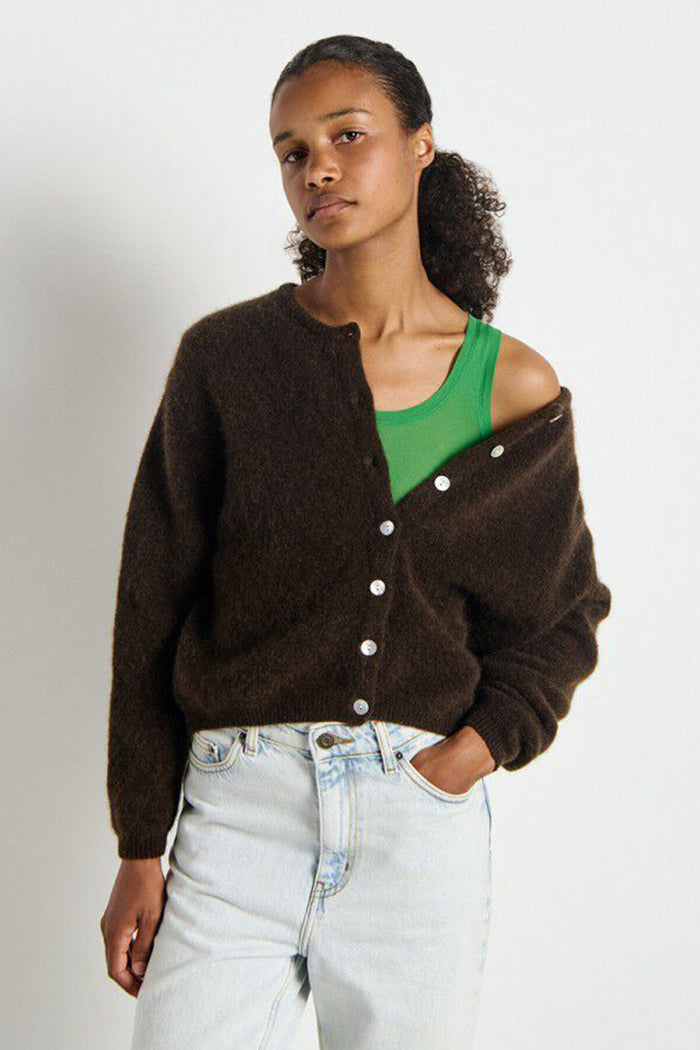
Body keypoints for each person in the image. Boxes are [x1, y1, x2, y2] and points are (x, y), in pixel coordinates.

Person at [100, 34, 611, 1050]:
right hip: (235, 818)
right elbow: (152, 601)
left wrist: (468, 755)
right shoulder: (227, 361)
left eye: (347, 136)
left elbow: (561, 616)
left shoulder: (511, 387)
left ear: (421, 145)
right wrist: (139, 843)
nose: (317, 169)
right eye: (292, 151)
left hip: (415, 826)